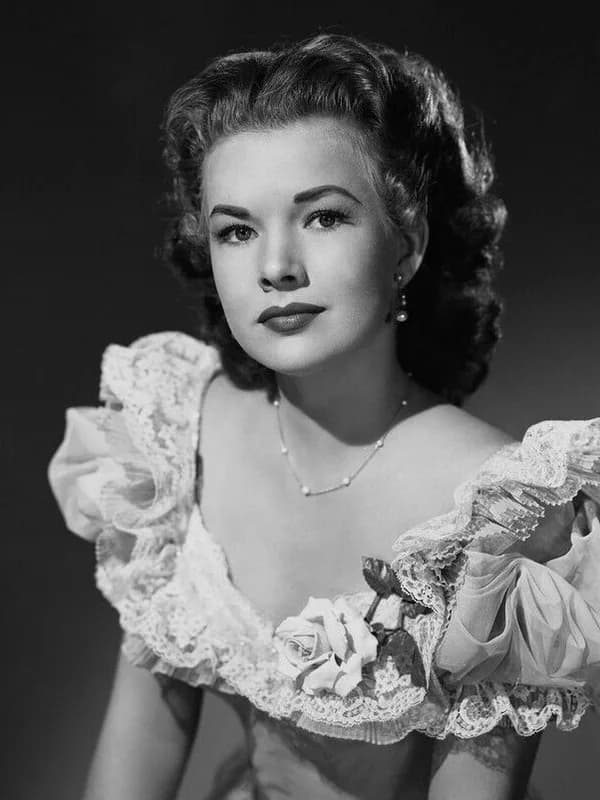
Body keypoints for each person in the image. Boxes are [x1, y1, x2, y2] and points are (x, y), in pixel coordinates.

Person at [47, 31, 600, 800]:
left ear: (406, 244)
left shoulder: (504, 516)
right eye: (237, 230)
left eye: (323, 218)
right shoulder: (174, 435)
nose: (276, 267)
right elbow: (141, 746)